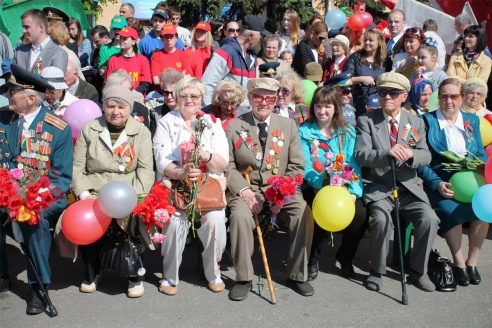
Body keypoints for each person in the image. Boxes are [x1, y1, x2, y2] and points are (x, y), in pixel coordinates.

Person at [225, 77, 314, 301]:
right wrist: (243, 191)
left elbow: (296, 166)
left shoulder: (288, 125)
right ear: (250, 98)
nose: (263, 102)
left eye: (269, 97)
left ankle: (297, 274)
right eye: (258, 97)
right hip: (248, 188)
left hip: (280, 187)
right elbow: (228, 165)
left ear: (276, 100)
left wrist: (282, 193)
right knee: (239, 216)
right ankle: (243, 278)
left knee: (302, 212)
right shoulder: (235, 125)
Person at [354, 72, 439, 292]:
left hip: (408, 187)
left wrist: (411, 155)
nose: (387, 97)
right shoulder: (367, 121)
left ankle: (419, 272)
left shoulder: (415, 122)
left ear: (404, 96)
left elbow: (426, 155)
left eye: (393, 93)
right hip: (381, 187)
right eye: (383, 92)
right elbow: (361, 154)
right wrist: (386, 153)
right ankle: (377, 271)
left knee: (429, 219)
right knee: (381, 220)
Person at [0, 64, 72, 314]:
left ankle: (38, 287)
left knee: (34, 219)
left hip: (42, 197)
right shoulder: (2, 118)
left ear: (31, 98)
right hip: (4, 193)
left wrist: (32, 199)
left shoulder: (58, 129)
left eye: (12, 91)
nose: (7, 95)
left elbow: (61, 179)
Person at [72, 85, 154, 298]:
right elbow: (77, 167)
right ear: (103, 106)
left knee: (135, 221)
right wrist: (84, 193)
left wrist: (134, 198)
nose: (115, 111)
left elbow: (145, 170)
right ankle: (92, 271)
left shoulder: (141, 131)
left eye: (121, 106)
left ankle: (134, 274)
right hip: (94, 190)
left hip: (127, 193)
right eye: (110, 106)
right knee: (84, 220)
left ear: (130, 108)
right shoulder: (89, 129)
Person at [153, 77, 228, 294]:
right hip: (176, 184)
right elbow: (162, 160)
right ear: (175, 98)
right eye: (183, 96)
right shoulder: (167, 122)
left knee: (215, 222)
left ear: (201, 98)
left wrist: (204, 155)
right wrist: (181, 172)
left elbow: (222, 162)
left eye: (194, 96)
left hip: (208, 184)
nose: (189, 100)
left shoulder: (212, 123)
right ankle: (169, 276)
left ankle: (213, 272)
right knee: (175, 222)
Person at [418, 78, 488, 286]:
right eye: (444, 96)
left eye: (454, 96)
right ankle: (459, 264)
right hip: (440, 182)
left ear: (462, 98)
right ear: (438, 99)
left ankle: (472, 262)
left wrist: (478, 165)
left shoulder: (472, 120)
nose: (449, 101)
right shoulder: (426, 121)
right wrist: (436, 183)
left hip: (470, 181)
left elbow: (480, 152)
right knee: (451, 210)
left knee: (484, 209)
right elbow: (421, 161)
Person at [299, 87, 366, 281]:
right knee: (318, 209)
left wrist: (352, 191)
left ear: (336, 108)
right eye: (318, 106)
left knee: (361, 213)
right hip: (316, 186)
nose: (322, 111)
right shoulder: (305, 131)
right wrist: (324, 185)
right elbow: (305, 164)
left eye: (327, 106)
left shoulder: (347, 131)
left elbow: (353, 163)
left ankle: (346, 257)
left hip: (344, 186)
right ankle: (312, 258)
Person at [202, 15, 267, 110]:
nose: (260, 41)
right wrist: (209, 113)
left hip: (246, 115)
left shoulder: (253, 58)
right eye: (260, 37)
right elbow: (207, 84)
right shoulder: (225, 52)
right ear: (251, 36)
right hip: (226, 114)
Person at [343, 29, 387, 117]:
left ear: (379, 43)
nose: (367, 42)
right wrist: (362, 79)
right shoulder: (355, 57)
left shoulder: (385, 61)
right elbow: (344, 78)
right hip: (356, 100)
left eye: (371, 40)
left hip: (377, 102)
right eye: (365, 40)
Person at [14, 9, 68, 74]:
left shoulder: (59, 54)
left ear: (41, 27)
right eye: (23, 27)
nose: (23, 31)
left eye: (27, 27)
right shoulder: (19, 52)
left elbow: (56, 82)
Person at [106, 27, 151, 95]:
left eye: (125, 39)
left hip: (136, 97)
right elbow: (109, 83)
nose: (121, 41)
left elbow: (145, 84)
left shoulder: (143, 60)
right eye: (121, 38)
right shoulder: (113, 59)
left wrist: (131, 94)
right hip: (118, 96)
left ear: (133, 41)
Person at [149, 68, 184, 136]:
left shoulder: (190, 113)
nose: (169, 97)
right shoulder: (154, 113)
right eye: (165, 92)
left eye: (173, 93)